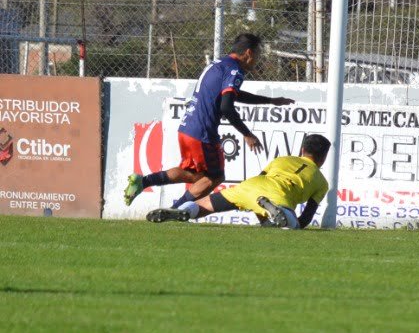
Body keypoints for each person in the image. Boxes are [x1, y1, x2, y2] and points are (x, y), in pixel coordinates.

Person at [122, 32, 294, 208]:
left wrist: (270, 101)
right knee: (215, 177)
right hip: (203, 132)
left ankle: (142, 182)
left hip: (188, 128)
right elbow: (226, 107)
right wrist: (247, 134)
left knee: (193, 174)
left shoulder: (219, 64)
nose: (257, 60)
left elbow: (234, 95)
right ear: (248, 53)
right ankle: (175, 211)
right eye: (257, 55)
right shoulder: (235, 70)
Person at [146, 134, 330, 230]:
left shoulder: (282, 159)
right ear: (324, 158)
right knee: (293, 225)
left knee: (203, 206)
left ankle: (184, 210)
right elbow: (306, 217)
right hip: (277, 195)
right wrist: (293, 224)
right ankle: (280, 213)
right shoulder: (321, 182)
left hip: (250, 186)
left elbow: (260, 180)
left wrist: (260, 212)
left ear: (302, 149)